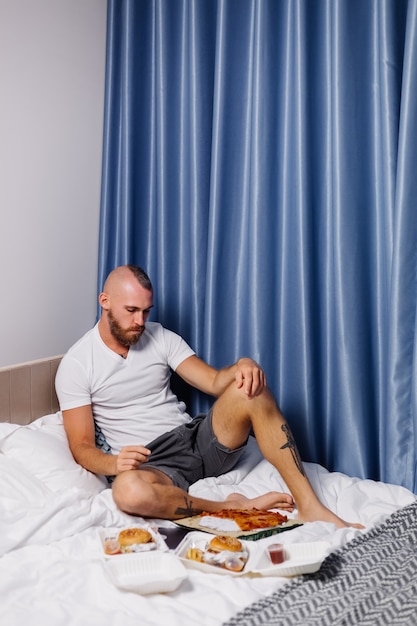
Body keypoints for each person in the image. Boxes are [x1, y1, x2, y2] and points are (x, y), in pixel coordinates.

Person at [55, 264, 360, 528]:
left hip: (195, 441)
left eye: (146, 311)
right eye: (131, 311)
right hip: (154, 464)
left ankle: (311, 506)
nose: (140, 322)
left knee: (250, 389)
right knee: (127, 492)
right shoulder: (78, 363)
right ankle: (233, 508)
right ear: (104, 302)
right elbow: (81, 447)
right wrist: (114, 464)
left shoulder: (159, 336)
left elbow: (214, 381)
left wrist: (242, 365)